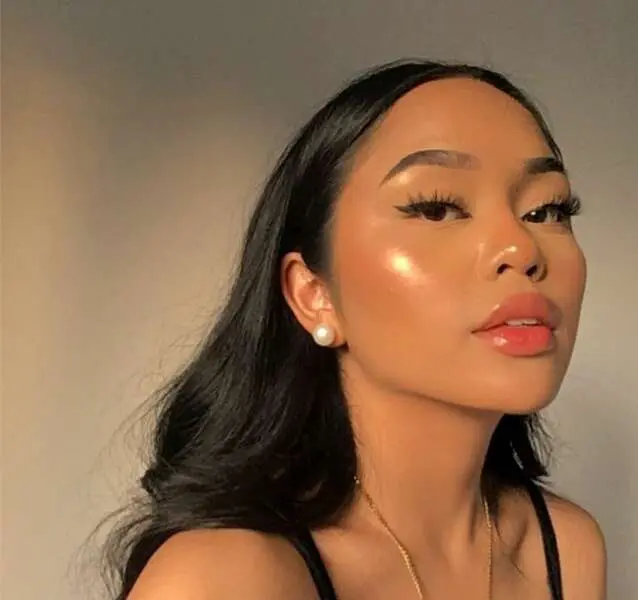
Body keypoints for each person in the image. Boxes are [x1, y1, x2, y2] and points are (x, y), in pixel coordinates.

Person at [102, 59, 606, 600]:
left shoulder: (564, 549)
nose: (521, 248)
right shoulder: (221, 580)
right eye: (437, 208)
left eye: (547, 210)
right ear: (313, 295)